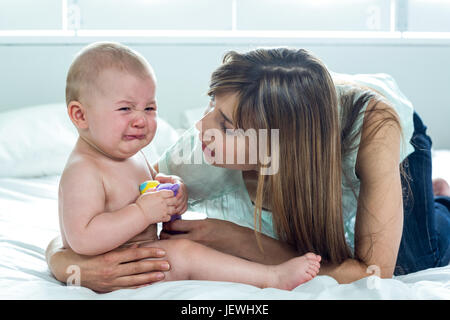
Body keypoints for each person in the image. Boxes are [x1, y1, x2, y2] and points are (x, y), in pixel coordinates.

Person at [46, 47, 450, 292]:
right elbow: (88, 220)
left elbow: (370, 271)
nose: (202, 129)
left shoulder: (376, 130)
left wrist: (237, 238)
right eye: (211, 106)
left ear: (277, 143)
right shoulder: (198, 152)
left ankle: (433, 199)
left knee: (412, 259)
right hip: (305, 124)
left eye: (225, 125)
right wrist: (64, 263)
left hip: (383, 137)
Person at [53, 41, 321, 292]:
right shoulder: (83, 170)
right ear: (80, 115)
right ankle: (271, 278)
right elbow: (82, 239)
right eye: (125, 109)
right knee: (185, 254)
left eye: (149, 108)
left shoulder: (129, 155)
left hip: (142, 259)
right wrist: (141, 213)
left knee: (185, 250)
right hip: (119, 270)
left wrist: (169, 184)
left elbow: (143, 184)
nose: (140, 120)